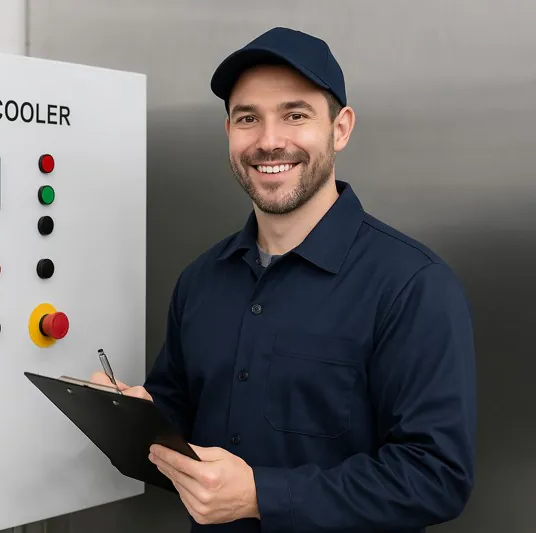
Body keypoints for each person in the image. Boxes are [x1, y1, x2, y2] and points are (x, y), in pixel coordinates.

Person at [91, 27, 476, 532]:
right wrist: (138, 418)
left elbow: (436, 477)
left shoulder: (412, 285)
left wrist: (260, 496)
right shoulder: (201, 281)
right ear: (229, 132)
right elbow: (180, 418)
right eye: (248, 118)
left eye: (296, 115)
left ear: (340, 128)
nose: (270, 141)